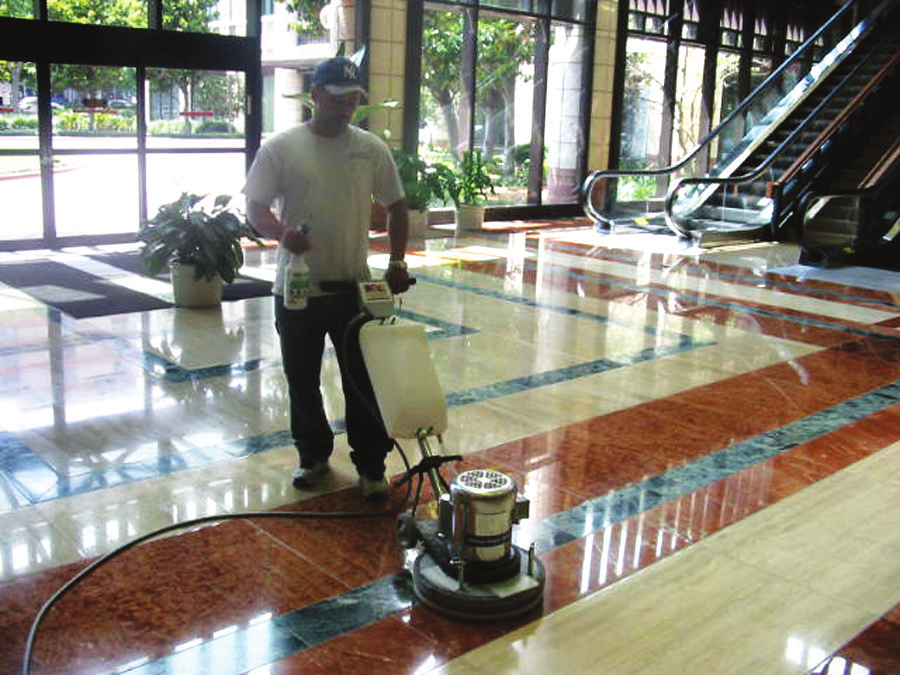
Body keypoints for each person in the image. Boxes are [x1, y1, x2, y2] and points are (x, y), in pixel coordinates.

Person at [243, 56, 411, 500]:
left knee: (362, 381)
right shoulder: (281, 147)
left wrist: (397, 262)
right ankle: (313, 455)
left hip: (354, 288)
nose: (345, 108)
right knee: (301, 378)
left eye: (352, 100)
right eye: (337, 99)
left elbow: (397, 205)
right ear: (314, 95)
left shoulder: (370, 148)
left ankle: (371, 466)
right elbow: (256, 208)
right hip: (297, 290)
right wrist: (282, 233)